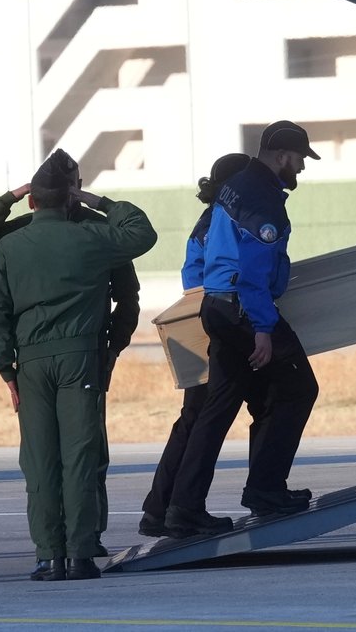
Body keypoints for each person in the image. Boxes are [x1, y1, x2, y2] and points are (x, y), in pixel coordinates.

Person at [0, 151, 157, 582]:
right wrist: (100, 202)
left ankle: (48, 555)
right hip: (81, 357)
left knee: (40, 459)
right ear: (70, 197)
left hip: (31, 364)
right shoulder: (95, 237)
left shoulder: (8, 247)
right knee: (80, 456)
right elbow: (142, 233)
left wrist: (6, 369)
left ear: (32, 203)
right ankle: (80, 553)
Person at [165, 121, 321, 537]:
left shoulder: (235, 185)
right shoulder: (261, 200)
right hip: (243, 311)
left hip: (216, 305)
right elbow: (253, 272)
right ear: (284, 156)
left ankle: (184, 506)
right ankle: (265, 489)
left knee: (217, 409)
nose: (302, 168)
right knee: (299, 388)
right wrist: (264, 329)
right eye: (301, 159)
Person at [138, 152, 251, 537]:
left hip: (196, 326)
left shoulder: (207, 220)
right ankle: (183, 508)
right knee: (204, 419)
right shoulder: (224, 221)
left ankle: (158, 508)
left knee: (190, 420)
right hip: (212, 325)